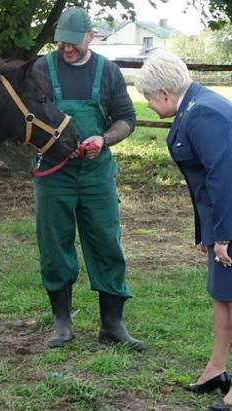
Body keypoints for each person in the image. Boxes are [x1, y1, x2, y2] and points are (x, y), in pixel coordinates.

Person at [135, 50, 232, 410]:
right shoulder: (195, 104)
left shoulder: (203, 112)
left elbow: (222, 179)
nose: (147, 105)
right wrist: (208, 232)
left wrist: (223, 235)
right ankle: (217, 369)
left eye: (147, 98)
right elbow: (206, 181)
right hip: (230, 215)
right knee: (223, 295)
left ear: (163, 93)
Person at [33, 7, 144, 352]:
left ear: (90, 37)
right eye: (61, 43)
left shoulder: (108, 72)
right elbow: (28, 117)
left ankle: (112, 325)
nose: (67, 50)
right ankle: (62, 323)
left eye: (73, 44)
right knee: (54, 243)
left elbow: (126, 118)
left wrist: (103, 139)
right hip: (54, 173)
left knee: (106, 242)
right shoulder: (41, 69)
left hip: (96, 174)